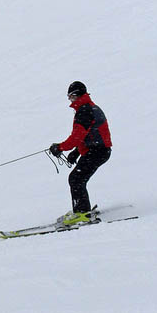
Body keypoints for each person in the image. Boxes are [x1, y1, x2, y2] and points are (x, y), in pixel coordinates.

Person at [49, 81, 112, 225]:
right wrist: (76, 152)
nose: (70, 100)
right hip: (98, 150)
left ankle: (82, 213)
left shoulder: (84, 110)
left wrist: (60, 147)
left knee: (76, 178)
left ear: (77, 95)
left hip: (98, 151)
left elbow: (77, 136)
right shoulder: (90, 107)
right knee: (78, 178)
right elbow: (89, 135)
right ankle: (81, 210)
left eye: (71, 97)